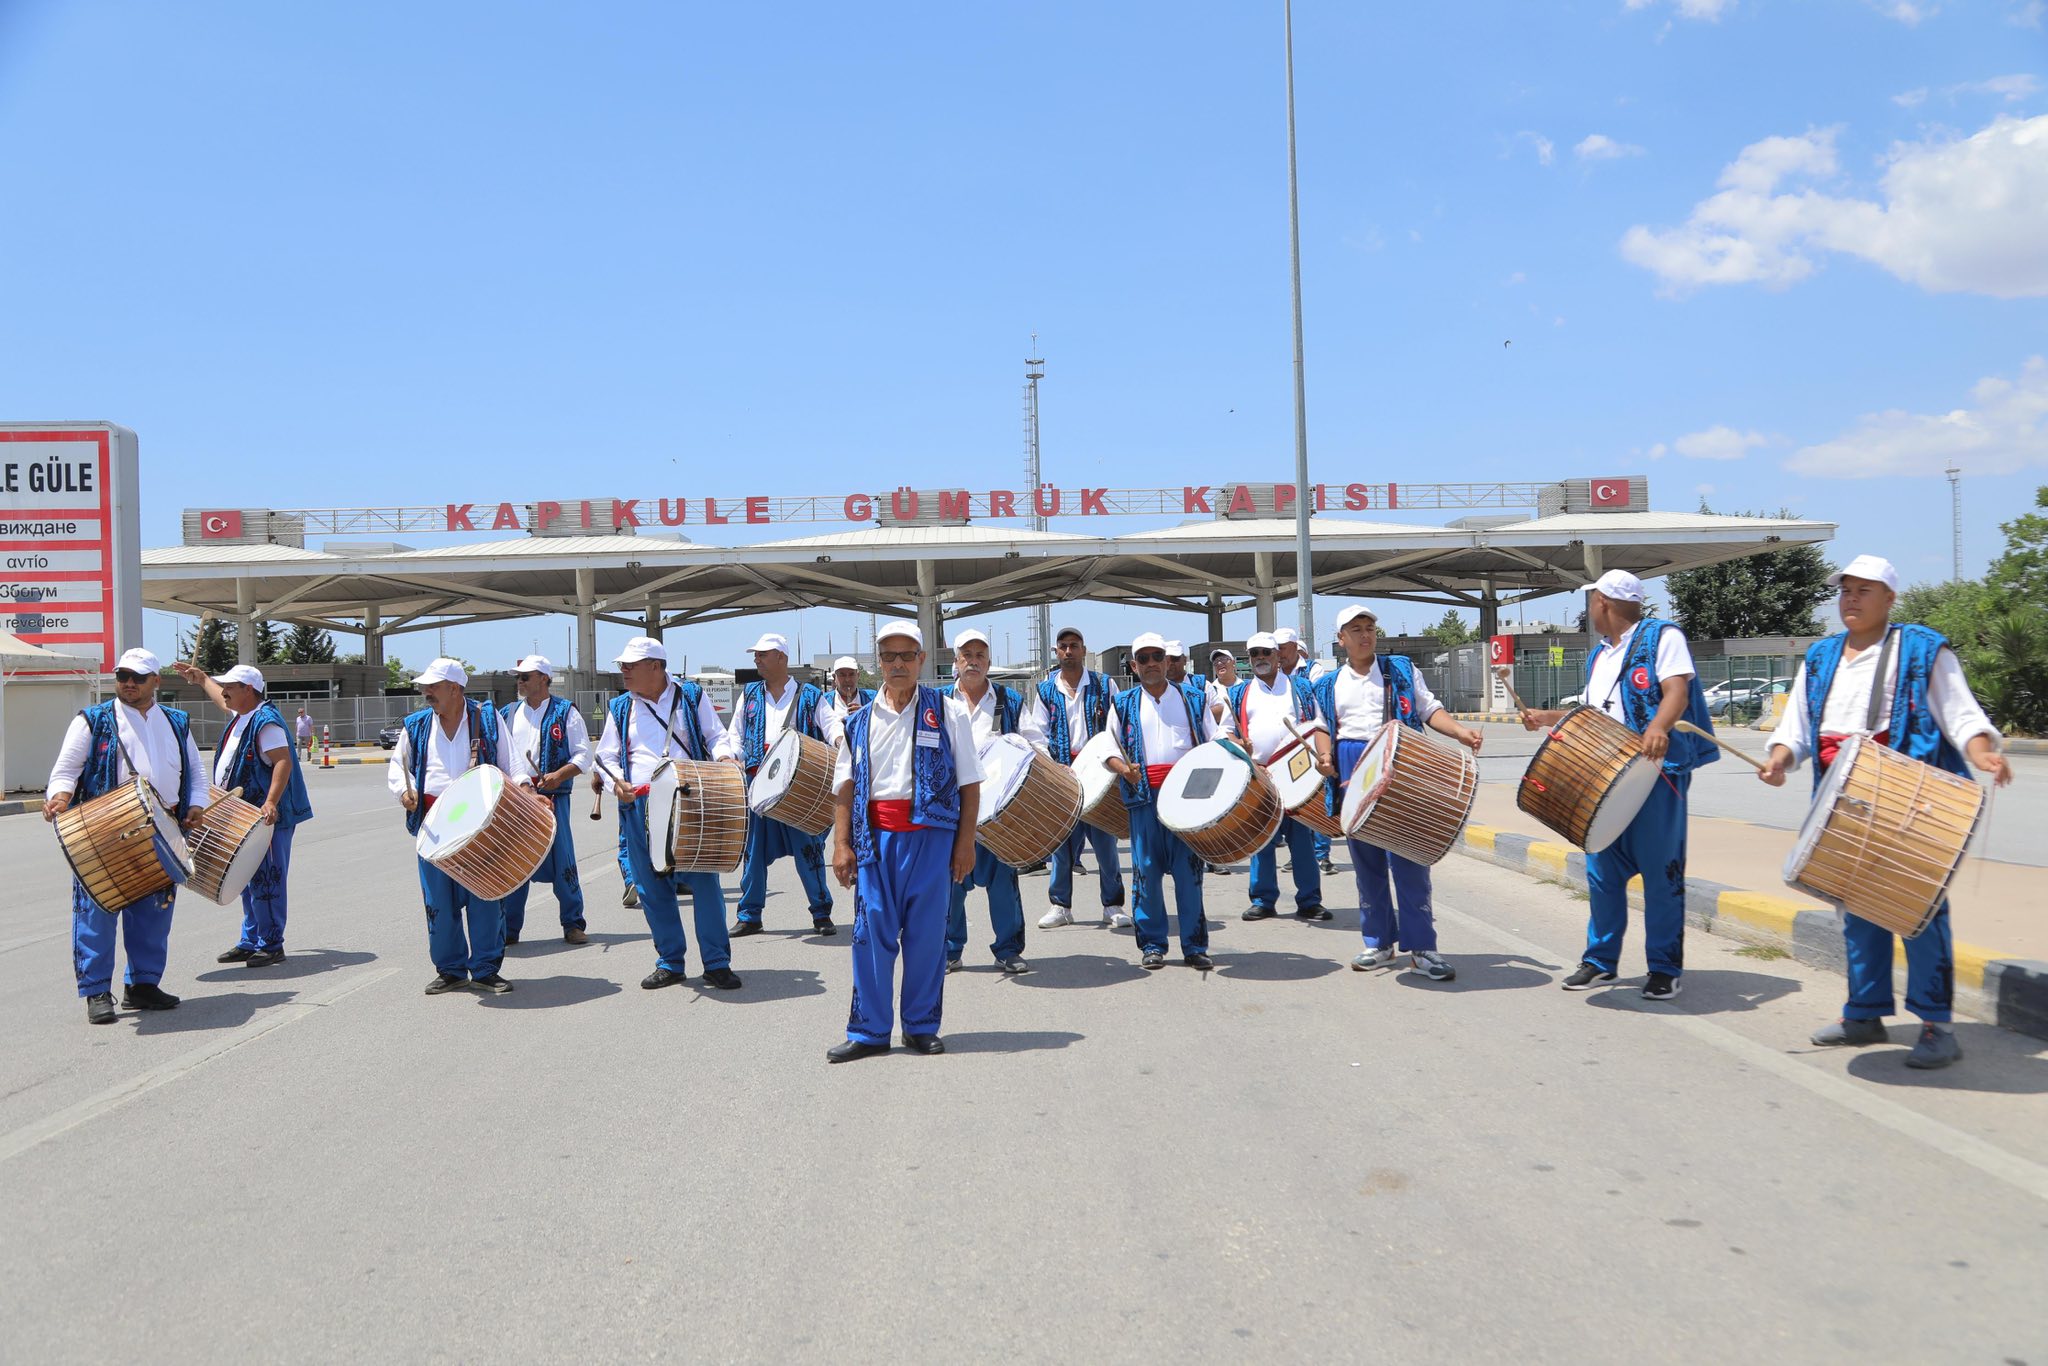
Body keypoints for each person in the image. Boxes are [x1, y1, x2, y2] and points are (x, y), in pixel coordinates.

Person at [1761, 554, 2011, 1070]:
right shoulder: (1823, 655)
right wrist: (1780, 760)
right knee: (1854, 907)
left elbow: (1962, 713)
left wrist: (1982, 751)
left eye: (1864, 590)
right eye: (1845, 590)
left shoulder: (1921, 649)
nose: (1850, 599)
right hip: (1842, 799)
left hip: (1909, 800)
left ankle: (1937, 1025)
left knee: (1916, 910)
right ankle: (1864, 1012)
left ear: (1890, 599)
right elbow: (1799, 729)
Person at [1518, 570, 1717, 1000]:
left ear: (1604, 602)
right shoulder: (1600, 655)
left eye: (1591, 602)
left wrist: (1660, 727)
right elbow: (1592, 712)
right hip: (1606, 776)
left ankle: (1664, 968)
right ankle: (1600, 961)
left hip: (1656, 775)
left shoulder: (1663, 637)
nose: (1589, 610)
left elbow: (1677, 691)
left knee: (1661, 875)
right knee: (1602, 873)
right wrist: (1545, 717)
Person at [827, 621, 982, 1061]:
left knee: (927, 936)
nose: (898, 664)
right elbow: (845, 786)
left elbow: (970, 784)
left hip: (933, 838)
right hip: (875, 838)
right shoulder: (856, 723)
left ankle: (920, 1026)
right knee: (869, 932)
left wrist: (965, 843)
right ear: (878, 662)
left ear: (921, 660)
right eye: (889, 656)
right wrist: (841, 845)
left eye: (906, 655)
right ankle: (870, 1031)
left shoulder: (947, 710)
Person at [1312, 606, 1481, 981]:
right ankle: (1379, 943)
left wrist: (1459, 732)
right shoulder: (1326, 684)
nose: (1364, 635)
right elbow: (1322, 726)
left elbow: (1428, 709)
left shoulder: (1401, 669)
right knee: (1367, 862)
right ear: (1341, 639)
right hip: (1352, 762)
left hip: (1399, 759)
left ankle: (1423, 949)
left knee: (1409, 857)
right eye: (1355, 630)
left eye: (1369, 628)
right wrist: (1325, 756)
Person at [44, 648, 210, 1025]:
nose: (128, 683)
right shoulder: (93, 720)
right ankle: (97, 992)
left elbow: (196, 774)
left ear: (156, 681)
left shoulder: (177, 721)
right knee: (97, 911)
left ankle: (143, 985)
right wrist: (59, 796)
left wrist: (196, 804)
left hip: (161, 828)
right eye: (122, 676)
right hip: (104, 829)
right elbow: (66, 769)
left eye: (137, 677)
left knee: (153, 912)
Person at [594, 636, 743, 991]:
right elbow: (606, 756)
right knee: (651, 886)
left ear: (657, 667)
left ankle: (716, 962)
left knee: (704, 881)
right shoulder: (620, 708)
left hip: (689, 798)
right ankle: (670, 961)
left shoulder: (690, 695)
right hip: (639, 803)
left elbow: (715, 734)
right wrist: (615, 782)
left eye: (631, 665)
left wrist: (724, 758)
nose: (624, 671)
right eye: (623, 665)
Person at [169, 661, 312, 968]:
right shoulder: (243, 715)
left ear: (249, 690)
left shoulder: (266, 722)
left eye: (230, 687)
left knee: (267, 878)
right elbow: (222, 701)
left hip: (265, 817)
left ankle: (271, 943)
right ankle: (251, 939)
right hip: (242, 816)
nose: (224, 693)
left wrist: (271, 802)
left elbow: (282, 762)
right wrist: (202, 679)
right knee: (246, 877)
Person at [388, 659, 513, 995]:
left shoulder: (487, 717)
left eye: (434, 686)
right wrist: (405, 791)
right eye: (425, 686)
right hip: (433, 823)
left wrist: (524, 792)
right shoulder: (415, 725)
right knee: (438, 901)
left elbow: (509, 763)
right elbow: (399, 768)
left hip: (482, 824)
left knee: (484, 896)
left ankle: (486, 969)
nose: (426, 692)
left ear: (456, 689)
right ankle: (451, 969)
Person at [1107, 631, 1229, 970]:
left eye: (1156, 657)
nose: (1151, 664)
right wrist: (1123, 769)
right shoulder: (1123, 703)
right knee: (1146, 874)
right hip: (1143, 799)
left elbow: (1215, 738)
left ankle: (1194, 946)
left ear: (1167, 661)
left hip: (1186, 800)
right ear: (1134, 665)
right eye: (1143, 659)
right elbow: (1107, 748)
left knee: (1189, 875)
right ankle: (1153, 944)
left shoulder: (1193, 698)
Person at [717, 632, 840, 936]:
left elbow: (833, 725)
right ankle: (749, 915)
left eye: (762, 654)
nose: (756, 659)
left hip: (798, 784)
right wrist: (729, 756)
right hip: (758, 782)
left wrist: (839, 742)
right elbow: (735, 733)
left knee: (808, 850)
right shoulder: (750, 694)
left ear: (781, 658)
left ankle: (821, 913)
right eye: (756, 654)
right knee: (753, 852)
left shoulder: (810, 696)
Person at [942, 628, 1049, 974]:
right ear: (956, 662)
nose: (973, 662)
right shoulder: (940, 702)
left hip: (1000, 811)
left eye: (980, 656)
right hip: (953, 810)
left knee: (1004, 881)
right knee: (951, 884)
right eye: (966, 655)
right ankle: (949, 950)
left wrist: (1049, 771)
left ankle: (1008, 949)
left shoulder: (1009, 700)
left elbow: (1034, 740)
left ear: (988, 662)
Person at [1230, 632, 1331, 922]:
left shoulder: (1300, 687)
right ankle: (1262, 899)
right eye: (1254, 654)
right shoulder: (1240, 693)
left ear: (1277, 656)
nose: (1260, 658)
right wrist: (1239, 746)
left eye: (1266, 653)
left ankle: (1310, 900)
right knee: (1261, 841)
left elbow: (1318, 724)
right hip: (1259, 775)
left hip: (1297, 775)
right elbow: (1225, 731)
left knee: (1302, 840)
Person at [1036, 625, 1130, 929]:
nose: (1068, 651)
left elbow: (1118, 729)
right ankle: (1060, 906)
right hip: (1062, 773)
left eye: (1074, 646)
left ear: (1084, 650)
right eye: (1063, 646)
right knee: (1061, 846)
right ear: (1056, 651)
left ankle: (1112, 905)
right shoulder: (1045, 689)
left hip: (1099, 773)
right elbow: (1037, 734)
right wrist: (1051, 766)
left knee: (1105, 845)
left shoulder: (1105, 685)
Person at [498, 655, 592, 946]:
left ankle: (573, 923)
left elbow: (583, 756)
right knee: (515, 861)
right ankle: (509, 929)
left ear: (543, 678)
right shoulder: (508, 713)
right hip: (517, 799)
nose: (520, 682)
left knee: (562, 858)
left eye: (525, 677)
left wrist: (560, 775)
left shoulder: (566, 712)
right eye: (519, 677)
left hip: (553, 797)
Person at [1276, 627, 1337, 875]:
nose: (1278, 652)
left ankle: (1322, 854)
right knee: (1296, 801)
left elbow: (1317, 700)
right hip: (1288, 748)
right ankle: (1298, 854)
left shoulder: (1312, 669)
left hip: (1312, 741)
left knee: (1318, 797)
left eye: (1282, 647)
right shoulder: (1275, 671)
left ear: (1294, 646)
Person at [823, 655, 876, 736]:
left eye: (851, 674)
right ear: (834, 677)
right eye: (842, 675)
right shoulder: (824, 701)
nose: (847, 679)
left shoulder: (873, 698)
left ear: (858, 675)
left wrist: (866, 715)